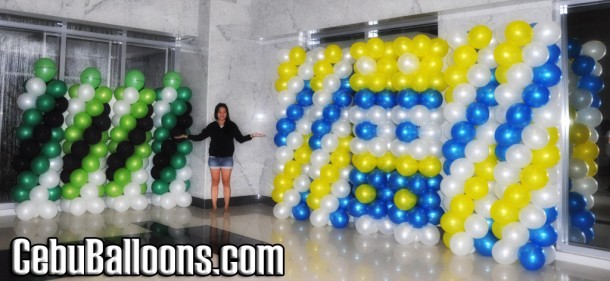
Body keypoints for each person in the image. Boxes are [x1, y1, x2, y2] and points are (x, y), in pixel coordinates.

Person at [174, 103, 264, 212]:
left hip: (227, 159)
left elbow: (240, 139)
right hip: (214, 159)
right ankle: (214, 207)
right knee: (215, 182)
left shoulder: (232, 125)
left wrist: (252, 135)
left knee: (226, 182)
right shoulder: (212, 126)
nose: (222, 114)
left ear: (227, 113)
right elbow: (200, 137)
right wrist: (185, 136)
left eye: (224, 112)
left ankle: (226, 208)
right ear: (216, 113)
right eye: (220, 112)